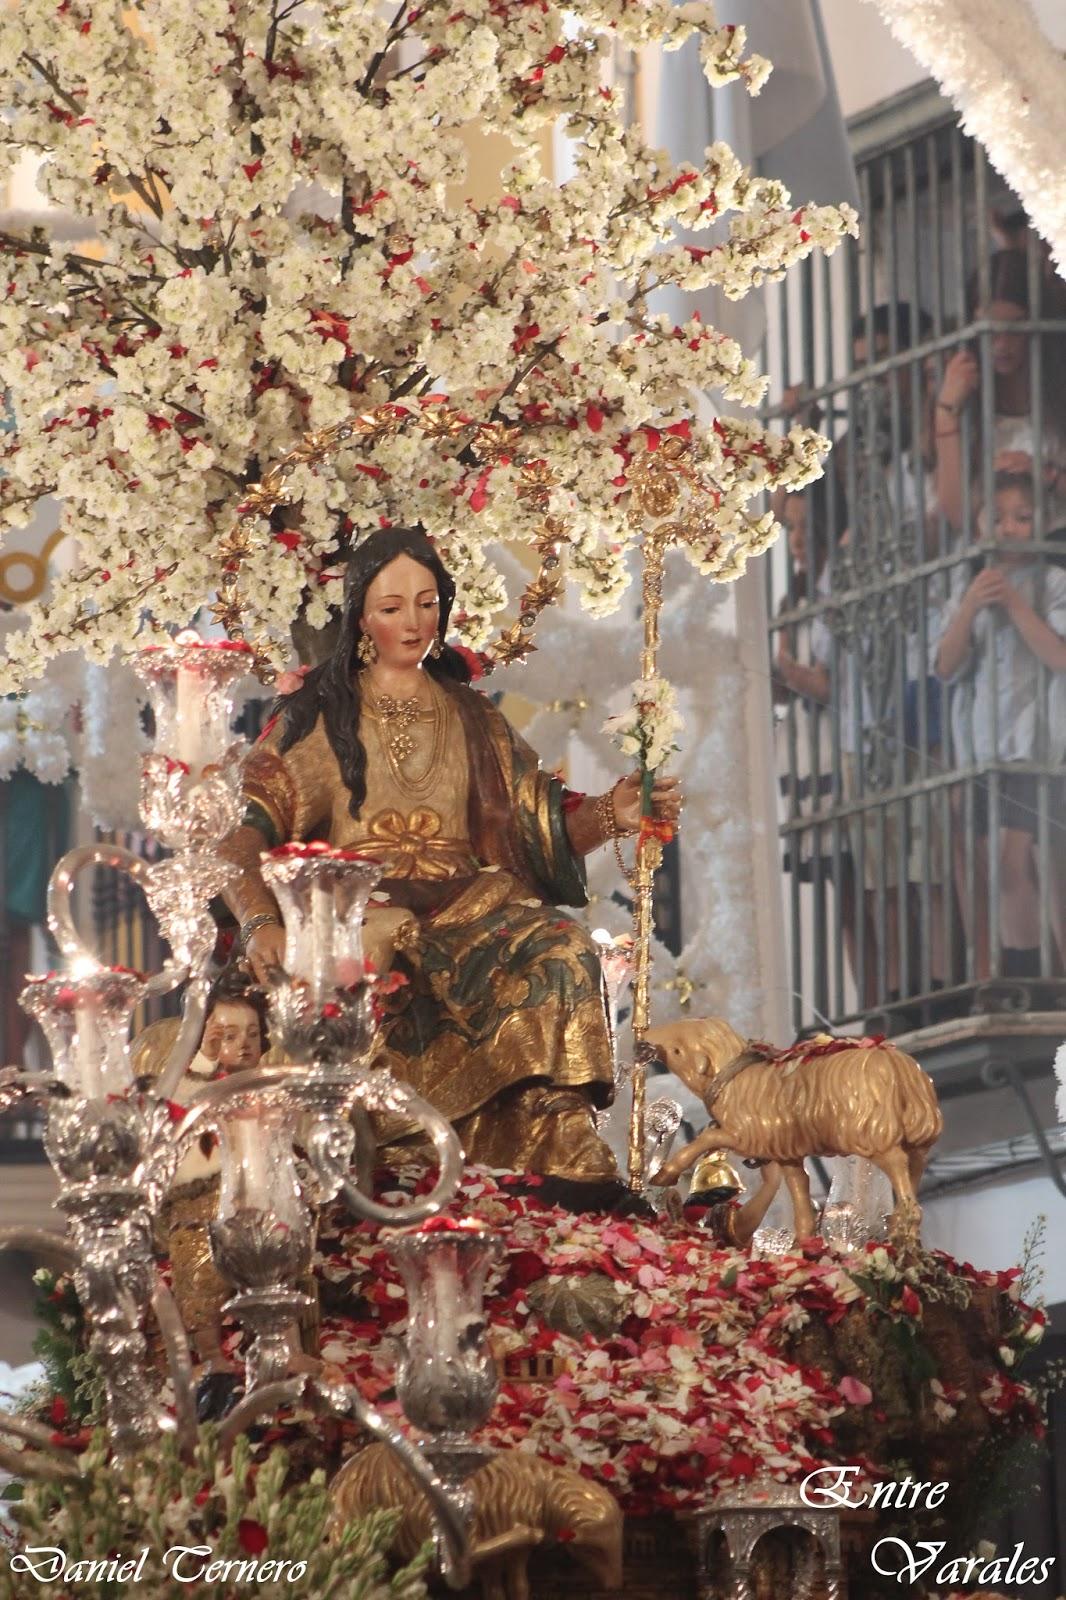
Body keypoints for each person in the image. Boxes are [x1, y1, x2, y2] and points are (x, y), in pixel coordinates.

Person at [219, 526, 681, 1184]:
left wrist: (614, 813)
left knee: (564, 949)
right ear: (359, 619)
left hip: (472, 905)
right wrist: (261, 920)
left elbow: (535, 826)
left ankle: (554, 1124)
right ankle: (390, 1148)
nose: (413, 623)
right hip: (360, 908)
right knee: (370, 965)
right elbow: (241, 835)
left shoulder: (470, 715)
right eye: (391, 608)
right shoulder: (321, 721)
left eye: (427, 603)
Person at [934, 470, 1066, 978]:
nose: (1009, 528)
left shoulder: (1053, 582)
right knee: (991, 861)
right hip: (982, 747)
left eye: (1022, 518)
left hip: (1033, 743)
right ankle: (1017, 966)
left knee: (1017, 858)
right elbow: (945, 665)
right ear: (978, 525)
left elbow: (1057, 654)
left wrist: (1014, 602)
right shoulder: (967, 588)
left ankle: (1032, 972)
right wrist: (970, 606)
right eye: (998, 517)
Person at [935, 249, 1066, 540]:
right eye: (989, 329)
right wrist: (946, 412)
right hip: (995, 560)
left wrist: (1045, 475)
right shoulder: (966, 402)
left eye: (1015, 327)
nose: (1001, 344)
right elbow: (957, 515)